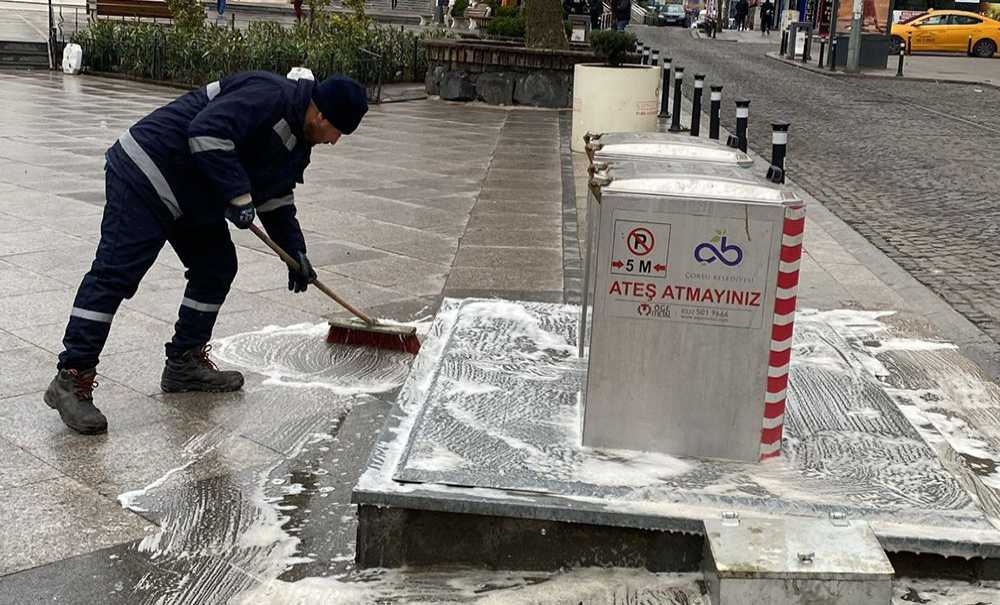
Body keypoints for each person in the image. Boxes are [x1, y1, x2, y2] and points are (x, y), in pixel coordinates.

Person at [43, 71, 368, 435]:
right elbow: (206, 133)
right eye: (338, 132)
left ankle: (184, 362)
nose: (335, 142)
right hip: (150, 170)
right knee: (115, 274)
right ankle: (72, 377)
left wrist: (295, 252)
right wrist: (239, 193)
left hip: (193, 192)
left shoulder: (298, 140)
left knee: (216, 266)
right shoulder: (270, 96)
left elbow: (276, 197)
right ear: (321, 115)